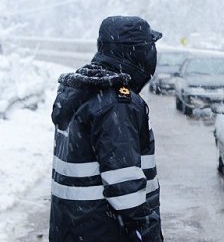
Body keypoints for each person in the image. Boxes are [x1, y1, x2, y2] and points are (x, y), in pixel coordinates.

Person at [49, 16, 163, 242]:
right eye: (150, 47)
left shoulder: (83, 91)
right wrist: (147, 234)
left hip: (74, 229)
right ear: (137, 52)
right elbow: (125, 189)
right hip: (107, 232)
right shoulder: (115, 104)